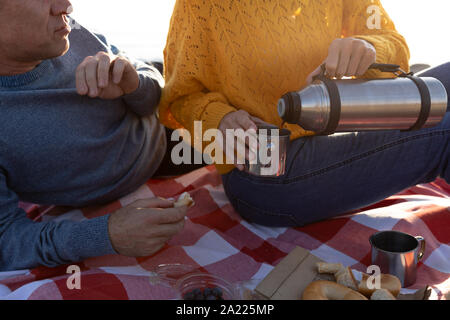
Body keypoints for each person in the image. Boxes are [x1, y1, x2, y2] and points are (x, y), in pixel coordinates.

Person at [159, 0, 450, 227]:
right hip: (265, 169)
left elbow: (392, 42)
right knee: (445, 131)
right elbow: (180, 97)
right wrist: (218, 119)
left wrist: (370, 47)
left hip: (335, 123)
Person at [0, 0, 189, 271]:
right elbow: (6, 241)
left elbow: (155, 89)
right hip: (118, 193)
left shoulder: (67, 32)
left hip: (170, 138)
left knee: (262, 144)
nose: (66, 6)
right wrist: (106, 235)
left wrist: (132, 84)